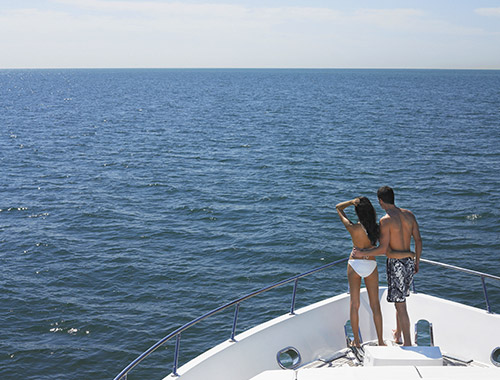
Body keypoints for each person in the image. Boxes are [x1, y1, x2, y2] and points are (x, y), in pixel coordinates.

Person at [336, 196, 413, 347]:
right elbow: (384, 248)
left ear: (358, 212)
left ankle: (357, 342)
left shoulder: (352, 227)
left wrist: (351, 202)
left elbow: (338, 208)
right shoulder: (377, 229)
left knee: (354, 304)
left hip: (354, 263)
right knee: (375, 305)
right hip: (370, 264)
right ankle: (380, 341)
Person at [353, 186, 422, 346]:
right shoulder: (409, 215)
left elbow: (383, 249)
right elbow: (418, 240)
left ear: (381, 201)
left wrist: (362, 253)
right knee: (401, 298)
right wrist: (417, 261)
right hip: (409, 262)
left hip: (396, 264)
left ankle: (408, 343)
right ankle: (398, 334)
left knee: (401, 304)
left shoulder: (386, 220)